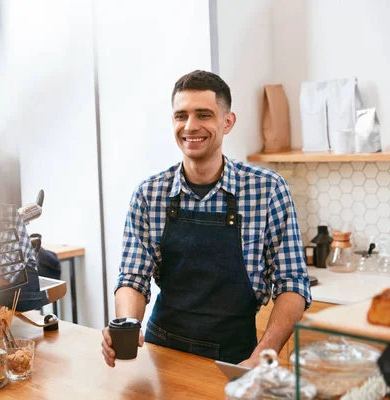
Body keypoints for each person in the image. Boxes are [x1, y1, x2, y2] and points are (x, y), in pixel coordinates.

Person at [101, 70, 311, 368]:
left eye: (203, 115)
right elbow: (133, 278)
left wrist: (265, 353)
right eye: (180, 116)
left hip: (237, 355)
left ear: (227, 122)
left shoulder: (267, 188)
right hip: (163, 351)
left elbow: (292, 283)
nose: (190, 126)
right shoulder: (150, 194)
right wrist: (125, 324)